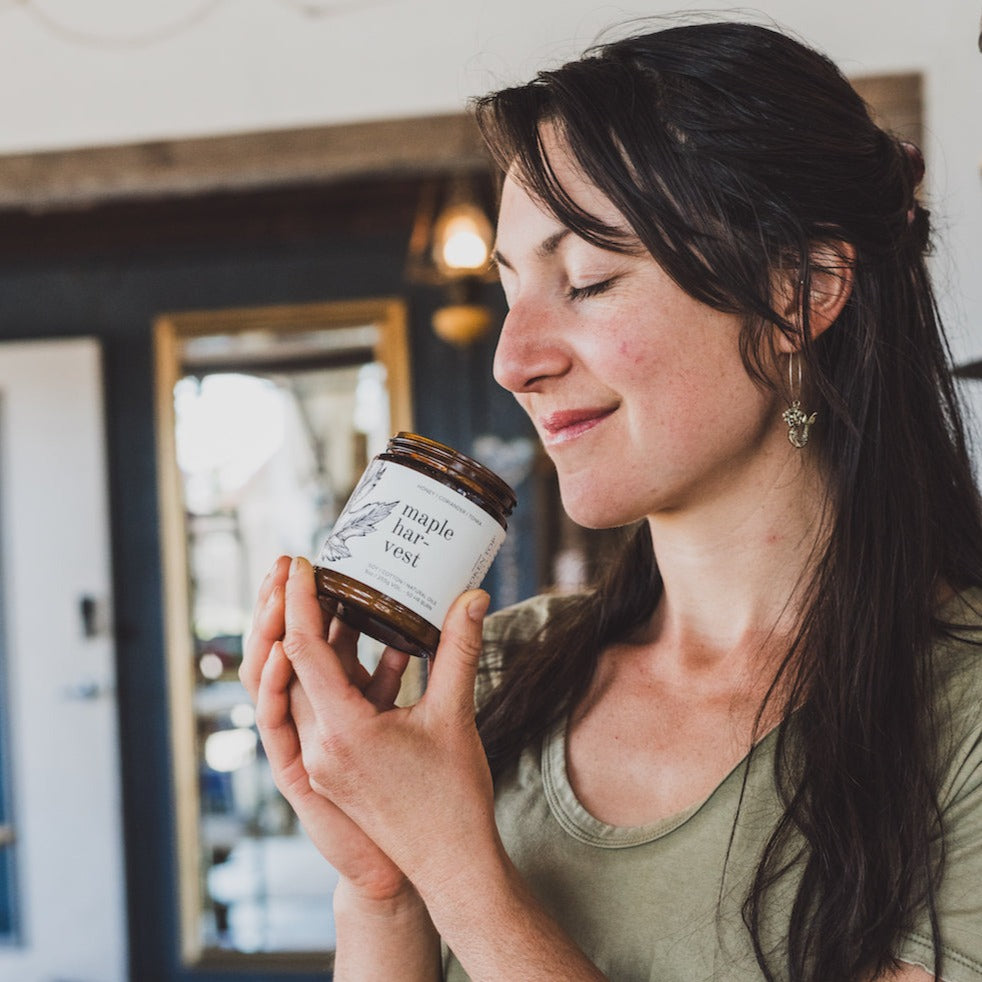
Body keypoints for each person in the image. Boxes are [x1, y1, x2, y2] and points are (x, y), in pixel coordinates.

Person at [239, 19, 982, 982]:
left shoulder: (956, 716)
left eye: (588, 281)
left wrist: (457, 866)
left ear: (802, 292)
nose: (514, 360)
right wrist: (384, 886)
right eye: (512, 290)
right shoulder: (490, 683)